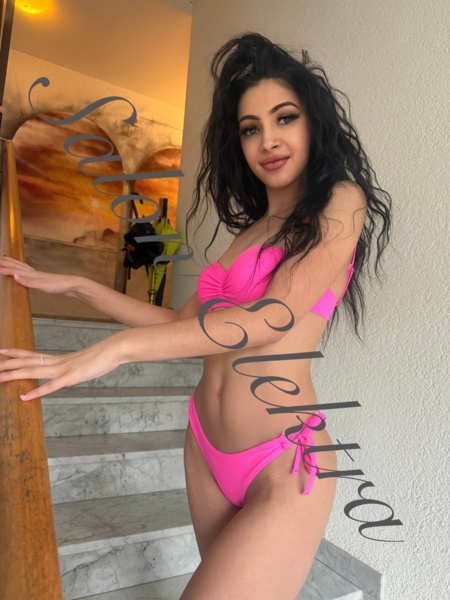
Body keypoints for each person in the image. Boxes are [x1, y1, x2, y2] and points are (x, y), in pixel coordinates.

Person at [0, 33, 391, 599]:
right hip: (205, 448)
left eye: (285, 118)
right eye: (250, 127)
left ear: (315, 124)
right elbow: (179, 324)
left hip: (283, 460)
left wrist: (114, 351)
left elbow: (272, 318)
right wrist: (81, 287)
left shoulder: (341, 203)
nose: (268, 139)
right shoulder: (248, 233)